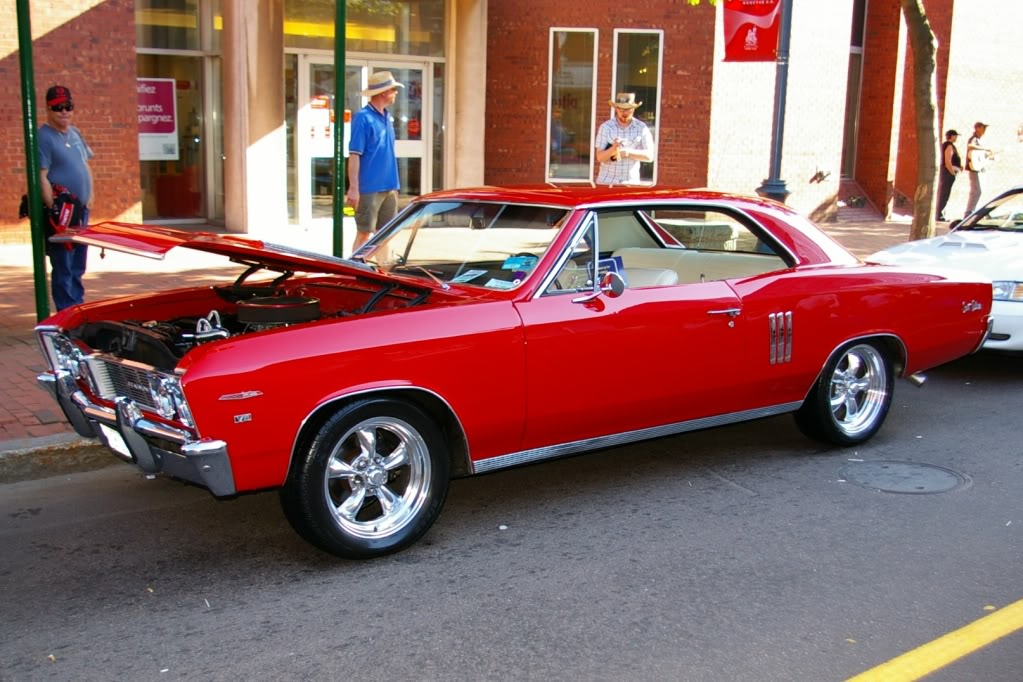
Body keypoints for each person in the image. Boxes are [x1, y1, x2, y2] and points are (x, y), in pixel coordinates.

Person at [39, 85, 93, 311]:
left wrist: (91, 195)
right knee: (63, 263)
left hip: (81, 210)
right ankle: (66, 311)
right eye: (58, 107)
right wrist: (52, 206)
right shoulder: (44, 137)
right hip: (62, 212)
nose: (64, 112)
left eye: (68, 106)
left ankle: (77, 307)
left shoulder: (75, 133)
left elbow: (85, 165)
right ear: (49, 109)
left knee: (78, 263)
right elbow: (41, 175)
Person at [346, 71, 403, 252]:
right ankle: (354, 271)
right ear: (383, 92)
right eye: (393, 89)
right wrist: (354, 188)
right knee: (364, 233)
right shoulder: (363, 118)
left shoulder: (387, 117)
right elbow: (355, 154)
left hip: (389, 186)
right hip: (369, 187)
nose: (396, 92)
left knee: (385, 234)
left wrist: (394, 187)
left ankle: (381, 273)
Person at [594, 93, 655, 186]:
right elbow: (600, 157)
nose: (624, 113)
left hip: (631, 182)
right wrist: (613, 148)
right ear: (616, 109)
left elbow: (650, 156)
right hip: (607, 182)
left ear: (633, 109)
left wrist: (627, 153)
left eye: (628, 109)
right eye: (621, 109)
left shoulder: (642, 128)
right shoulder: (606, 127)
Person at [964, 121, 993, 216]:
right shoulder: (973, 139)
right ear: (977, 128)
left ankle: (974, 211)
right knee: (976, 191)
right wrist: (984, 149)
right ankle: (969, 212)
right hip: (973, 169)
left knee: (978, 190)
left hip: (978, 168)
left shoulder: (979, 140)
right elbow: (970, 146)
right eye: (983, 127)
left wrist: (987, 156)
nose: (984, 130)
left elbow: (978, 155)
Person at [935, 129, 961, 222]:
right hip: (948, 173)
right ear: (952, 136)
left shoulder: (945, 145)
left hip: (946, 172)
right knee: (944, 193)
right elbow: (947, 161)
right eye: (955, 136)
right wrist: (952, 173)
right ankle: (938, 214)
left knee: (943, 193)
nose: (956, 138)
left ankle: (939, 213)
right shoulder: (949, 146)